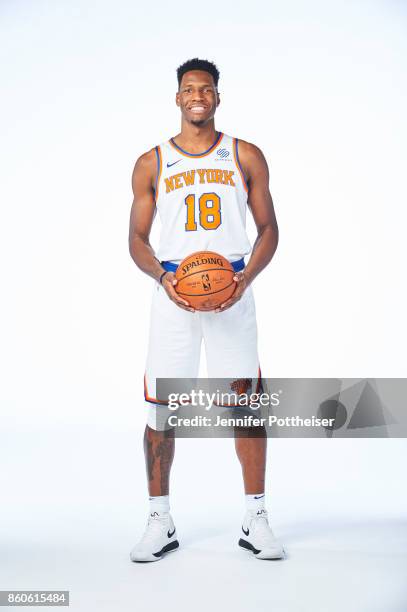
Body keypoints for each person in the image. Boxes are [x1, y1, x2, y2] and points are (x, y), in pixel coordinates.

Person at [128, 58, 283, 561]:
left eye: (207, 88)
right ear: (177, 98)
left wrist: (245, 280)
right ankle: (159, 521)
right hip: (174, 294)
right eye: (189, 89)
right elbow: (135, 239)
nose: (198, 95)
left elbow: (269, 230)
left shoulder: (245, 155)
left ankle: (256, 517)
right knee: (161, 410)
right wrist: (163, 277)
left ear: (218, 97)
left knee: (246, 406)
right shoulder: (152, 162)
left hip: (232, 292)